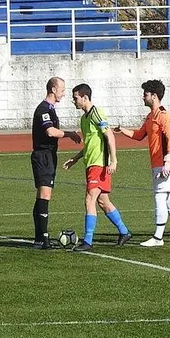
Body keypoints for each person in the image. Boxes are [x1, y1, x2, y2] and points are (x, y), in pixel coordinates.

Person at [114, 80, 170, 247]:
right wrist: (122, 130)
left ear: (154, 96)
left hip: (166, 163)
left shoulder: (163, 116)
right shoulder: (151, 116)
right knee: (169, 199)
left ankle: (158, 237)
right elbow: (139, 135)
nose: (143, 97)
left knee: (159, 197)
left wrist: (167, 161)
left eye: (146, 94)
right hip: (158, 163)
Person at [63, 84, 131, 251]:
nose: (73, 101)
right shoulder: (84, 119)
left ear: (85, 98)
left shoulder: (96, 113)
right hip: (91, 164)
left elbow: (109, 136)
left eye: (75, 97)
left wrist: (113, 161)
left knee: (89, 199)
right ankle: (124, 231)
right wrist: (76, 159)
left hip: (99, 164)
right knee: (103, 201)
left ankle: (87, 241)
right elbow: (89, 144)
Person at [30, 77, 81, 249]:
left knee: (42, 196)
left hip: (48, 155)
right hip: (43, 156)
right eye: (62, 90)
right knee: (45, 195)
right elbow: (50, 131)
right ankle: (43, 239)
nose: (64, 93)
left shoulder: (50, 109)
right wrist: (70, 134)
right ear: (53, 89)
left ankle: (39, 238)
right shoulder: (44, 109)